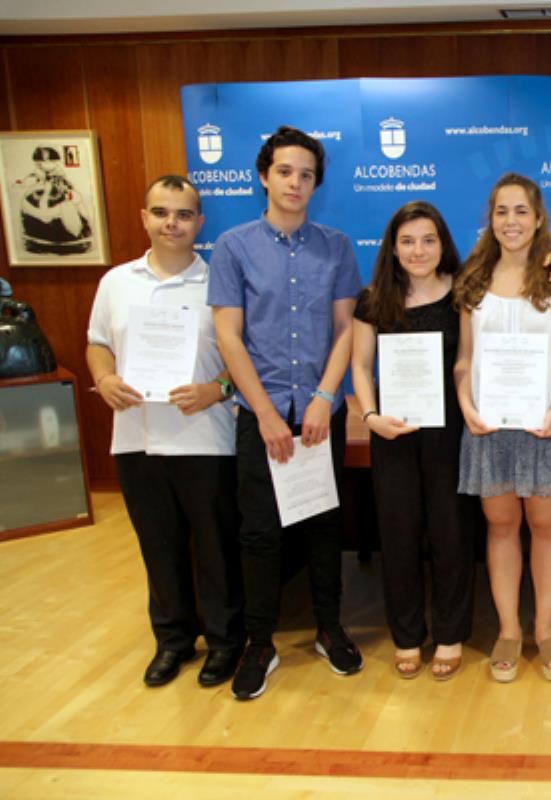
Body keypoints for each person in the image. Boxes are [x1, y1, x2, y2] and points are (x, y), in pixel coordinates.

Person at [349, 201, 551, 681]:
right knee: (399, 534)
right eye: (406, 241)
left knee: (452, 534)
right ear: (391, 247)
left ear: (443, 243)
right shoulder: (373, 300)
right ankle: (407, 636)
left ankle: (451, 635)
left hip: (455, 430)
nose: (418, 250)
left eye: (428, 240)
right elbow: (360, 367)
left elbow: (475, 350)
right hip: (394, 432)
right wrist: (370, 416)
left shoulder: (463, 289)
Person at [209, 125, 364, 700]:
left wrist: (325, 397)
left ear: (316, 183)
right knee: (259, 532)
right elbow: (228, 335)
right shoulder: (234, 247)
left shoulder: (337, 247)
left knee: (325, 522)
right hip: (261, 411)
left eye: (306, 174)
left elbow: (347, 328)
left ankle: (330, 627)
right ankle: (260, 641)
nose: (295, 183)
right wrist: (266, 413)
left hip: (322, 410)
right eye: (285, 172)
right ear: (263, 175)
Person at [86, 174, 243, 688]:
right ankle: (173, 641)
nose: (170, 222)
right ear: (144, 218)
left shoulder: (220, 280)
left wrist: (216, 389)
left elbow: (244, 358)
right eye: (160, 212)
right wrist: (104, 377)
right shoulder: (116, 282)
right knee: (158, 544)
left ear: (199, 223)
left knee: (215, 548)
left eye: (182, 214)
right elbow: (97, 343)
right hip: (136, 435)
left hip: (205, 435)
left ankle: (224, 642)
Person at [453, 173, 551, 683]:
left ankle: (546, 628)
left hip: (544, 426)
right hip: (488, 425)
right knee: (501, 526)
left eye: (521, 211)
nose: (511, 222)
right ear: (491, 218)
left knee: (547, 525)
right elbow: (464, 358)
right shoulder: (471, 282)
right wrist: (464, 399)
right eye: (502, 211)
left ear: (538, 218)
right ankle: (508, 629)